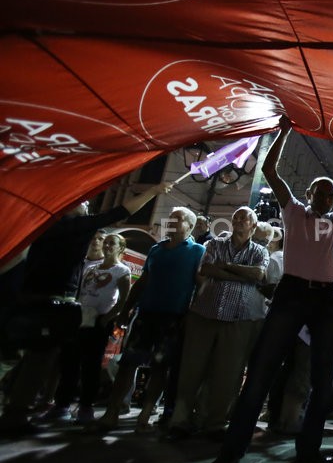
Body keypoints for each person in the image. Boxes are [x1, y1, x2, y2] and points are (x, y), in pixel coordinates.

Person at [209, 118, 333, 463]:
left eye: (331, 195)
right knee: (261, 368)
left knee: (324, 378)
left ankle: (308, 449)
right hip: (291, 293)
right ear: (309, 195)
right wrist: (285, 131)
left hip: (325, 299)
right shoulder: (293, 211)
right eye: (320, 193)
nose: (325, 198)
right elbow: (270, 169)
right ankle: (233, 448)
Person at [0, 183, 173, 435]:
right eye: (83, 203)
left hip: (25, 298)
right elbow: (121, 211)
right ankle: (16, 414)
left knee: (13, 356)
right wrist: (153, 192)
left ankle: (14, 408)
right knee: (38, 359)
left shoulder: (40, 225)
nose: (88, 205)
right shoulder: (77, 227)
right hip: (54, 302)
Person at [93, 206, 206, 432]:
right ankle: (112, 411)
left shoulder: (197, 251)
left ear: (190, 226)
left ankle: (145, 414)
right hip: (146, 314)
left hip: (174, 317)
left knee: (160, 367)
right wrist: (126, 310)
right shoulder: (156, 249)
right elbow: (143, 281)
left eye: (179, 219)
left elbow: (200, 285)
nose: (173, 222)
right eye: (171, 217)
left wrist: (191, 313)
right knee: (128, 363)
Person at [165, 206, 268, 440]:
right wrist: (239, 275)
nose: (240, 220)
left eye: (245, 218)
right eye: (237, 217)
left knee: (228, 373)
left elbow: (258, 275)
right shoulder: (215, 244)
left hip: (238, 319)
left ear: (253, 225)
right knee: (191, 370)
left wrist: (226, 267)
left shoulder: (260, 251)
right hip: (204, 314)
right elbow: (207, 268)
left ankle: (214, 422)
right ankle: (180, 420)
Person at [36, 232, 131, 425]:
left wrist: (107, 319)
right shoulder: (91, 267)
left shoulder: (122, 271)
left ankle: (85, 407)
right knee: (69, 362)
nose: (107, 246)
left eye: (112, 243)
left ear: (120, 248)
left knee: (91, 366)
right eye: (106, 243)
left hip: (98, 323)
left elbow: (123, 300)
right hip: (79, 320)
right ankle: (61, 405)